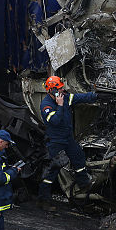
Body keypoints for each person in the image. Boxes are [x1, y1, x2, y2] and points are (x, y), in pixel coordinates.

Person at [38, 76, 101, 210]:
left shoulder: (65, 97)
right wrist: (60, 105)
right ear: (53, 90)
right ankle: (44, 201)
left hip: (67, 139)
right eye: (60, 88)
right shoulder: (46, 105)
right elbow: (55, 121)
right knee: (51, 171)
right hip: (56, 142)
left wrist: (96, 96)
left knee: (78, 157)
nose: (63, 90)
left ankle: (84, 184)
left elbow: (80, 98)